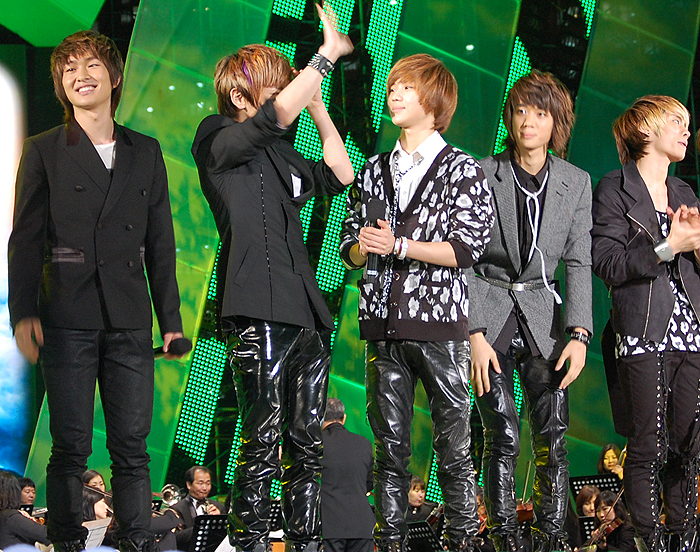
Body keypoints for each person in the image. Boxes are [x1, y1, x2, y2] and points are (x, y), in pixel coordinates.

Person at [8, 30, 186, 552]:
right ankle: (65, 542)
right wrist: (23, 313)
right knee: (70, 446)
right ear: (61, 86)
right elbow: (25, 239)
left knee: (132, 447)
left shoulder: (145, 150)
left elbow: (161, 243)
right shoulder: (44, 149)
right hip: (66, 312)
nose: (80, 76)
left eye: (90, 66)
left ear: (114, 76)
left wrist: (171, 321)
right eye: (68, 69)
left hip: (129, 315)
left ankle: (136, 541)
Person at [190, 4, 354, 551]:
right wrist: (325, 56)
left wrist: (320, 107)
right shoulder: (216, 137)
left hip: (305, 310)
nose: (287, 93)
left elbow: (340, 174)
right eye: (275, 85)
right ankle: (251, 542)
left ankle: (305, 542)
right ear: (241, 96)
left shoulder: (284, 153)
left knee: (307, 442)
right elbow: (274, 117)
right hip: (255, 307)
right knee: (261, 437)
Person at [339, 53, 494, 552]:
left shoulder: (462, 169)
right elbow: (350, 248)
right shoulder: (373, 169)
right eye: (392, 87)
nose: (395, 95)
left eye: (406, 87)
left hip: (439, 327)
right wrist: (363, 245)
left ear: (434, 102)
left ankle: (462, 543)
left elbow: (467, 248)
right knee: (389, 454)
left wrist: (400, 246)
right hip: (382, 326)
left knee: (454, 450)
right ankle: (389, 544)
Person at [466, 71, 593, 552]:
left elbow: (579, 261)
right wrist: (473, 333)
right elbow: (464, 258)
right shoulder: (482, 172)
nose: (528, 122)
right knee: (501, 435)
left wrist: (579, 334)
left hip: (545, 317)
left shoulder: (575, 182)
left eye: (540, 113)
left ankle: (550, 539)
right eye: (520, 111)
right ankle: (503, 539)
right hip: (490, 312)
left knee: (553, 439)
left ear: (556, 121)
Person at [591, 95, 700, 551]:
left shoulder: (685, 193)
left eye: (687, 123)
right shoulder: (614, 188)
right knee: (647, 445)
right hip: (642, 331)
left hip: (691, 331)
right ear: (645, 130)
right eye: (676, 121)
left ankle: (684, 539)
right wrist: (667, 246)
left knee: (688, 445)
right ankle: (648, 542)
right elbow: (608, 263)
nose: (686, 131)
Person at [319, 398, 375, 552]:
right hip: (362, 526)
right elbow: (369, 484)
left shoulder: (316, 444)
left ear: (320, 417)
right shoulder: (364, 444)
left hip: (329, 526)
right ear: (344, 418)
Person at [171, 466, 225, 551]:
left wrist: (218, 519)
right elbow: (175, 538)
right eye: (200, 483)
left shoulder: (219, 507)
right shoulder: (177, 509)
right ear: (189, 485)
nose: (205, 488)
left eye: (208, 483)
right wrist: (202, 525)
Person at [0, 471, 50, 549]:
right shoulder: (10, 517)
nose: (31, 495)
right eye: (27, 492)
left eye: (33, 492)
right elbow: (47, 535)